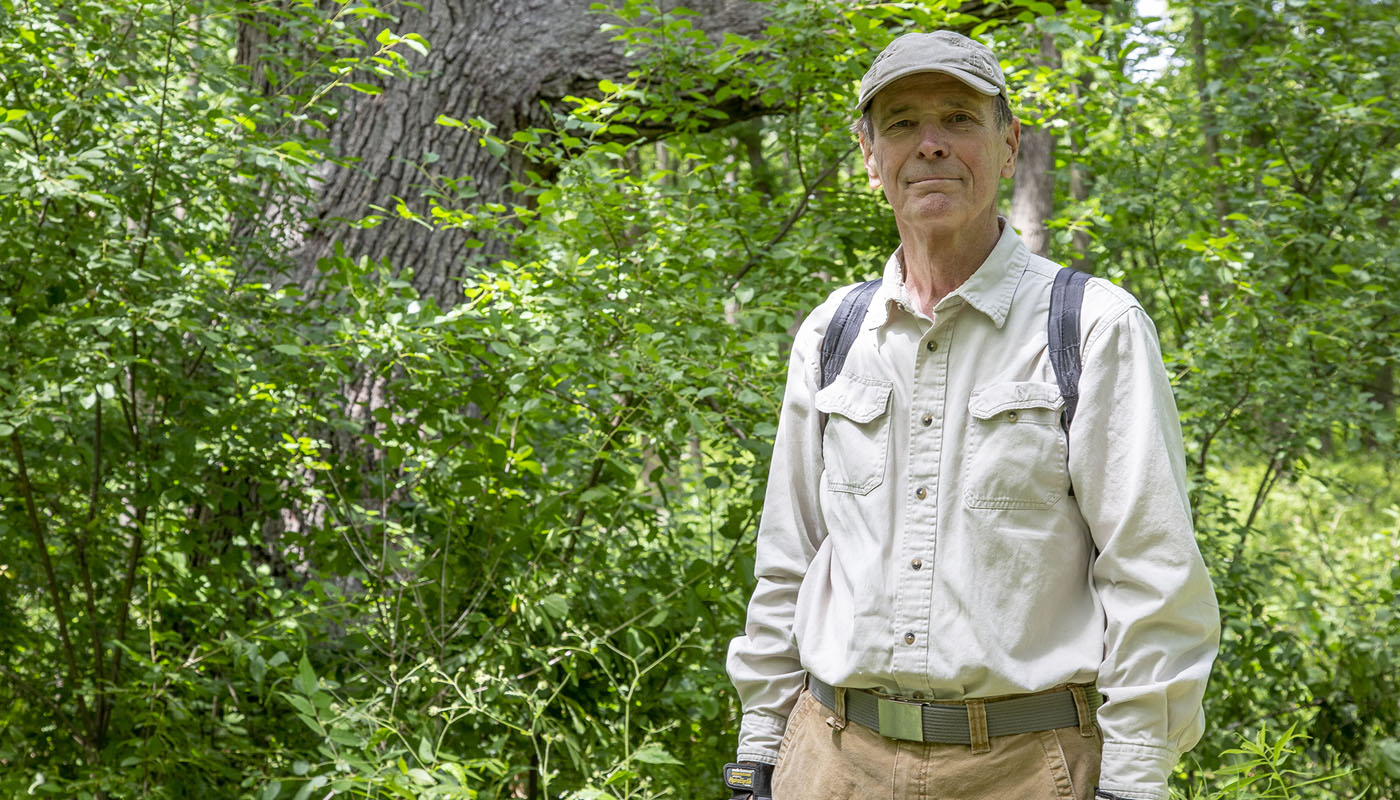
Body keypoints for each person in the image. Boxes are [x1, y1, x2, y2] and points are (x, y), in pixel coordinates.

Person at [722, 30, 1220, 800]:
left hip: (1028, 769)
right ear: (869, 156)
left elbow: (1152, 576)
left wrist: (1134, 778)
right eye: (901, 124)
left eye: (959, 118)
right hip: (831, 763)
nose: (930, 146)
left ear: (1009, 144)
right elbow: (790, 558)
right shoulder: (833, 335)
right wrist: (758, 744)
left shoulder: (1091, 326)